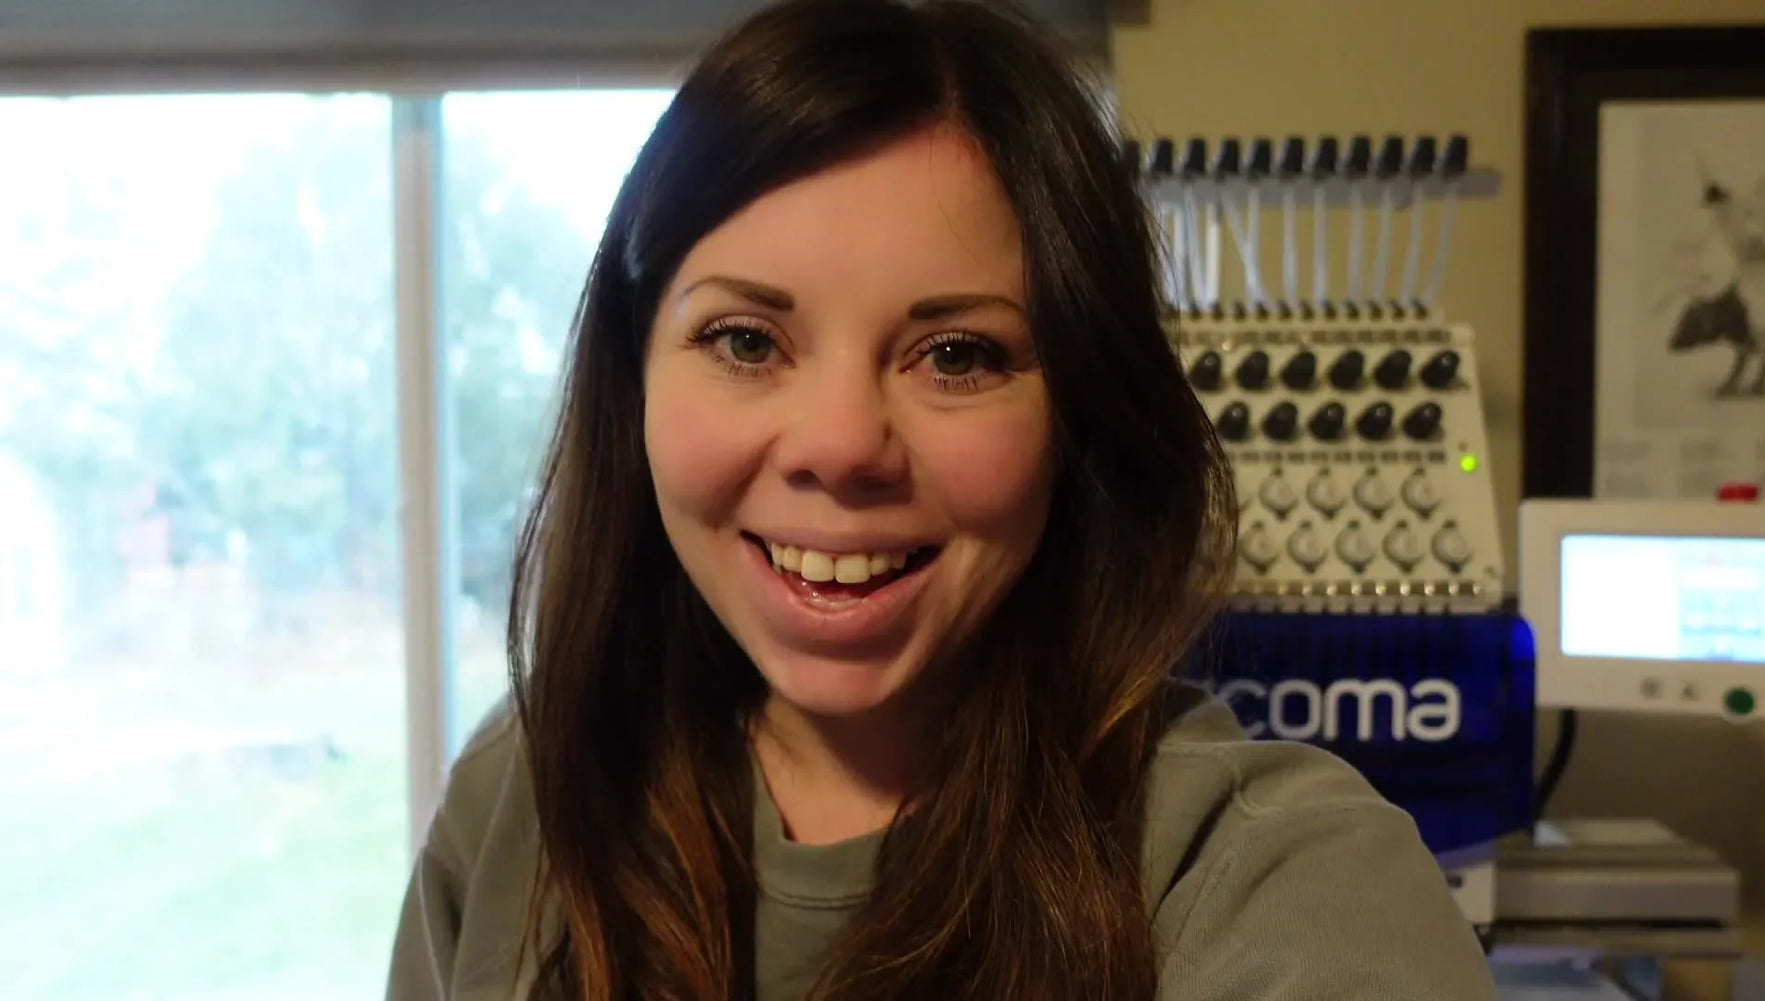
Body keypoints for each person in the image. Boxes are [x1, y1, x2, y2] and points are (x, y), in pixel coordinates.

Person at [385, 0, 1496, 998]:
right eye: (744, 338)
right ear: (633, 374)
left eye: (956, 354)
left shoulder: (1273, 879)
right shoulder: (524, 803)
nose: (839, 446)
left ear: (1084, 415)